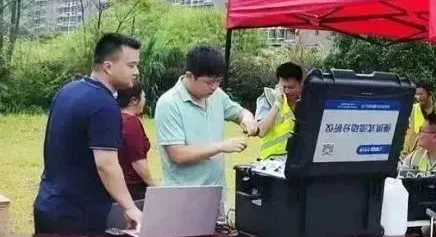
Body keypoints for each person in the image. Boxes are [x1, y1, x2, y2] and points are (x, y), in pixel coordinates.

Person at [33, 33, 144, 235]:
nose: (136, 71)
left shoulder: (68, 90)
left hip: (48, 204)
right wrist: (129, 207)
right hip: (77, 216)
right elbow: (106, 165)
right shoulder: (104, 105)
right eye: (131, 65)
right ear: (108, 66)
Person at [154, 45, 259, 190]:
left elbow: (239, 112)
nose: (214, 87)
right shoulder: (169, 104)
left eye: (218, 81)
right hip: (184, 192)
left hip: (216, 189)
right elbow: (178, 154)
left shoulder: (217, 95)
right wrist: (221, 146)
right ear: (190, 76)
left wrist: (247, 119)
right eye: (209, 82)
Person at [256, 62, 303, 160]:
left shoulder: (307, 101)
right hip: (270, 161)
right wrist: (277, 103)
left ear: (300, 84)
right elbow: (261, 131)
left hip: (297, 161)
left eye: (291, 87)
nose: (287, 91)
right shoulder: (268, 98)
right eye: (283, 87)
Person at [117, 83, 155, 202]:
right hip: (134, 188)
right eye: (143, 97)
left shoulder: (116, 118)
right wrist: (154, 187)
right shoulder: (130, 123)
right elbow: (138, 162)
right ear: (134, 100)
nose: (145, 101)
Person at [403, 82, 436, 156]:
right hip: (415, 152)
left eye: (421, 94)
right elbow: (407, 132)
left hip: (435, 153)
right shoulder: (412, 109)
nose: (418, 97)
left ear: (430, 95)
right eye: (416, 94)